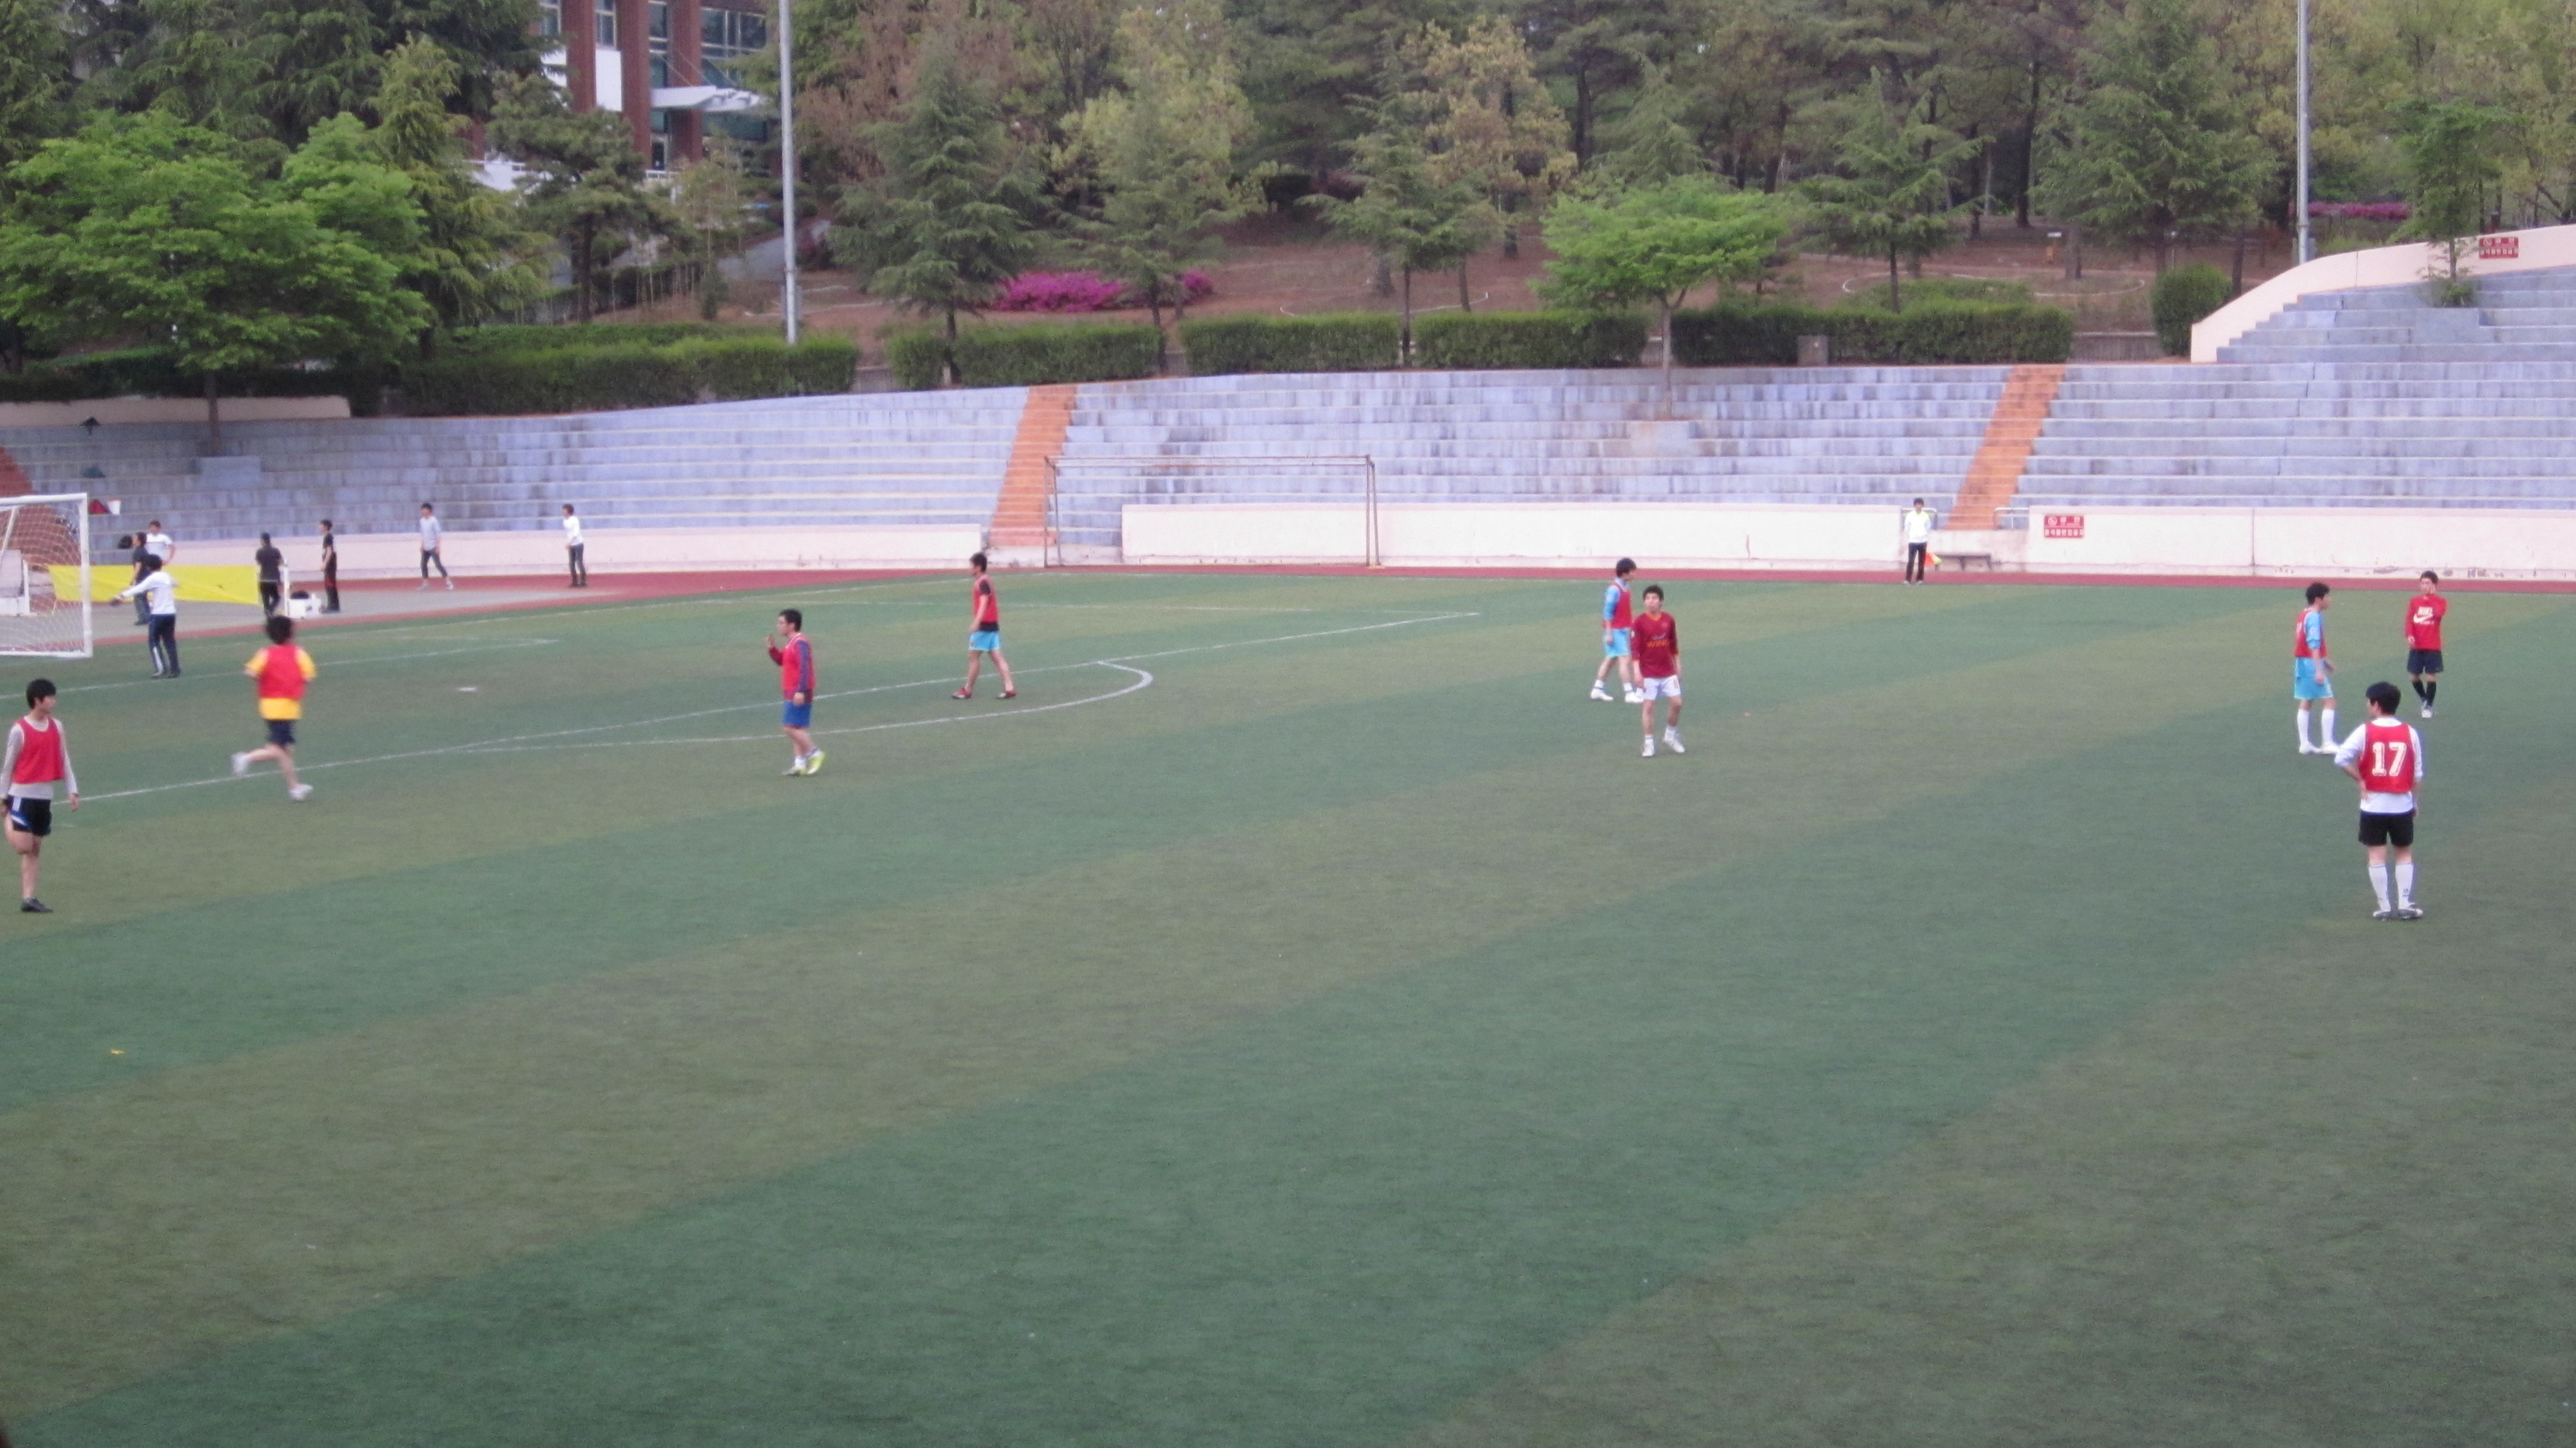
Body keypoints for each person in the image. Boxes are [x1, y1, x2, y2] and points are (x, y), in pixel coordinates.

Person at [2334, 680, 2425, 920]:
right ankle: (2405, 904)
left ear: (2376, 705)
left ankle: (2384, 907)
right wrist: (2414, 802)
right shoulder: (2410, 732)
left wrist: (2361, 780)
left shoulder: (2364, 731)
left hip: (2373, 804)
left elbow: (2341, 758)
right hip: (2401, 804)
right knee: (2403, 852)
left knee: (2376, 854)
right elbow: (2417, 775)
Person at [5, 678, 79, 913]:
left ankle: (29, 898)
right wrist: (3, 798)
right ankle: (7, 816)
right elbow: (8, 766)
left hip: (44, 797)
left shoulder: (57, 726)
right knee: (23, 847)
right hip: (21, 795)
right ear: (38, 701)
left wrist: (72, 789)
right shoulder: (19, 730)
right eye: (50, 698)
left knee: (35, 848)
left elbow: (64, 758)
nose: (54, 702)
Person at [229, 615, 316, 801]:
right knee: (279, 750)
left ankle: (295, 788)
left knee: (287, 750)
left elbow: (251, 671)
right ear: (290, 633)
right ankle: (245, 758)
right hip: (286, 708)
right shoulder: (298, 653)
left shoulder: (265, 653)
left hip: (269, 706)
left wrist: (269, 678)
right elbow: (308, 676)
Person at [767, 609, 824, 776]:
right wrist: (772, 649)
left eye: (781, 623)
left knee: (789, 728)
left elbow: (804, 668)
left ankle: (815, 753)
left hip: (798, 690)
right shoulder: (791, 643)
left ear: (792, 625)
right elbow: (782, 661)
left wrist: (800, 691)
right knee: (796, 727)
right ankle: (800, 765)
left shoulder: (800, 643)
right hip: (791, 689)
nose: (778, 626)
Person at [953, 551, 1016, 700]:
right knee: (997, 657)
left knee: (973, 657)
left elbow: (984, 602)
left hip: (984, 626)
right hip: (992, 625)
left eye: (972, 565)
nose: (969, 568)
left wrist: (977, 622)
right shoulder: (986, 581)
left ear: (978, 567)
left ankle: (967, 690)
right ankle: (1010, 687)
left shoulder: (982, 582)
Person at [1632, 584, 1683, 757]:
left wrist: (1678, 666)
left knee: (1677, 703)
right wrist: (1637, 672)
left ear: (1661, 601)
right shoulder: (1639, 622)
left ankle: (1670, 736)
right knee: (1649, 706)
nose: (1650, 601)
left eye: (1654, 598)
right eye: (1648, 598)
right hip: (1648, 673)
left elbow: (1674, 645)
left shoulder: (1669, 620)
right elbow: (1635, 650)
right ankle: (1649, 744)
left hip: (1668, 671)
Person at [114, 557, 180, 677]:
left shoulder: (153, 578)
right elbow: (176, 583)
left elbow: (139, 588)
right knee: (169, 641)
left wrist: (121, 596)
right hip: (171, 613)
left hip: (158, 614)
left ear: (148, 567)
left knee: (154, 641)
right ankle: (175, 669)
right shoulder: (166, 576)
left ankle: (161, 669)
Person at [1589, 557, 1643, 704]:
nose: (1635, 574)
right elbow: (1608, 612)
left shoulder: (1626, 587)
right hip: (1616, 631)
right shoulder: (1614, 590)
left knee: (1611, 659)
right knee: (1624, 659)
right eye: (1632, 572)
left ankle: (1597, 689)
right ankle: (1629, 693)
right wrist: (1609, 633)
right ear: (1625, 573)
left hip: (1622, 629)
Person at [2292, 580, 2334, 755]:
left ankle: (2305, 744)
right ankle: (2327, 743)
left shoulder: (2303, 615)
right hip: (2311, 664)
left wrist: (2325, 661)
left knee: (2307, 700)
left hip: (2301, 663)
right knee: (2329, 701)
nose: (2329, 600)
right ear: (2318, 599)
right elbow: (2313, 643)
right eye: (2327, 597)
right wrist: (2319, 669)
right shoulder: (2314, 617)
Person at [2403, 570, 2445, 718]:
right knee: (2413, 676)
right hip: (2417, 646)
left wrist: (2432, 598)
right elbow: (2410, 620)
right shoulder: (2415, 601)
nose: (2424, 586)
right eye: (2422, 583)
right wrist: (2409, 635)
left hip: (2432, 646)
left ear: (2434, 585)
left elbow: (2438, 614)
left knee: (2430, 676)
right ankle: (2424, 699)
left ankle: (2428, 707)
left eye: (2427, 583)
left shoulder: (2440, 601)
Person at [417, 502, 451, 590]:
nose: (423, 512)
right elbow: (423, 534)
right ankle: (425, 583)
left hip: (433, 546)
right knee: (423, 565)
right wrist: (422, 545)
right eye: (422, 510)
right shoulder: (422, 521)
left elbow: (438, 535)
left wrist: (438, 547)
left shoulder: (433, 521)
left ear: (429, 511)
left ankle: (448, 582)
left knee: (438, 564)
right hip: (426, 547)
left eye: (425, 510)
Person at [1902, 498, 1937, 584]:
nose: (1919, 506)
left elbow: (1928, 527)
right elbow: (1907, 528)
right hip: (1913, 542)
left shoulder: (1925, 516)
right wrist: (1911, 536)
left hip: (1923, 541)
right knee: (1911, 561)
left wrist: (1924, 535)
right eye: (1917, 504)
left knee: (1921, 562)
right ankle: (1908, 579)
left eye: (1920, 505)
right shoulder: (1910, 516)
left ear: (1922, 506)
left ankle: (1920, 579)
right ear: (1915, 505)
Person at [254, 531, 286, 618]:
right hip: (273, 578)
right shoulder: (275, 551)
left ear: (263, 541)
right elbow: (281, 562)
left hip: (263, 578)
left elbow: (258, 563)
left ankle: (267, 612)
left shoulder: (259, 551)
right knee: (276, 597)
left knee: (265, 598)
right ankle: (271, 610)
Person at [122, 533, 151, 625]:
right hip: (147, 576)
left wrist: (132, 579)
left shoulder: (138, 552)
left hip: (142, 578)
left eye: (135, 538)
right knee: (143, 598)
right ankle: (149, 617)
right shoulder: (144, 550)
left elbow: (138, 567)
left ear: (139, 541)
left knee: (138, 598)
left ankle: (144, 618)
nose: (133, 540)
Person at [318, 519, 341, 613]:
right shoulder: (328, 537)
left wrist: (325, 563)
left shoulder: (328, 537)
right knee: (331, 584)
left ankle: (332, 605)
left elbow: (329, 551)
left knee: (330, 585)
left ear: (326, 527)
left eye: (321, 525)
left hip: (330, 565)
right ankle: (335, 605)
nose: (319, 527)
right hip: (331, 565)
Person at [562, 504, 587, 588]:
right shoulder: (565, 521)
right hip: (572, 544)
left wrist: (570, 542)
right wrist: (569, 542)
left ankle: (583, 581)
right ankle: (575, 581)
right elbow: (569, 534)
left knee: (579, 562)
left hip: (578, 544)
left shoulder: (575, 520)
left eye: (564, 510)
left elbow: (576, 533)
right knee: (571, 563)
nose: (563, 512)